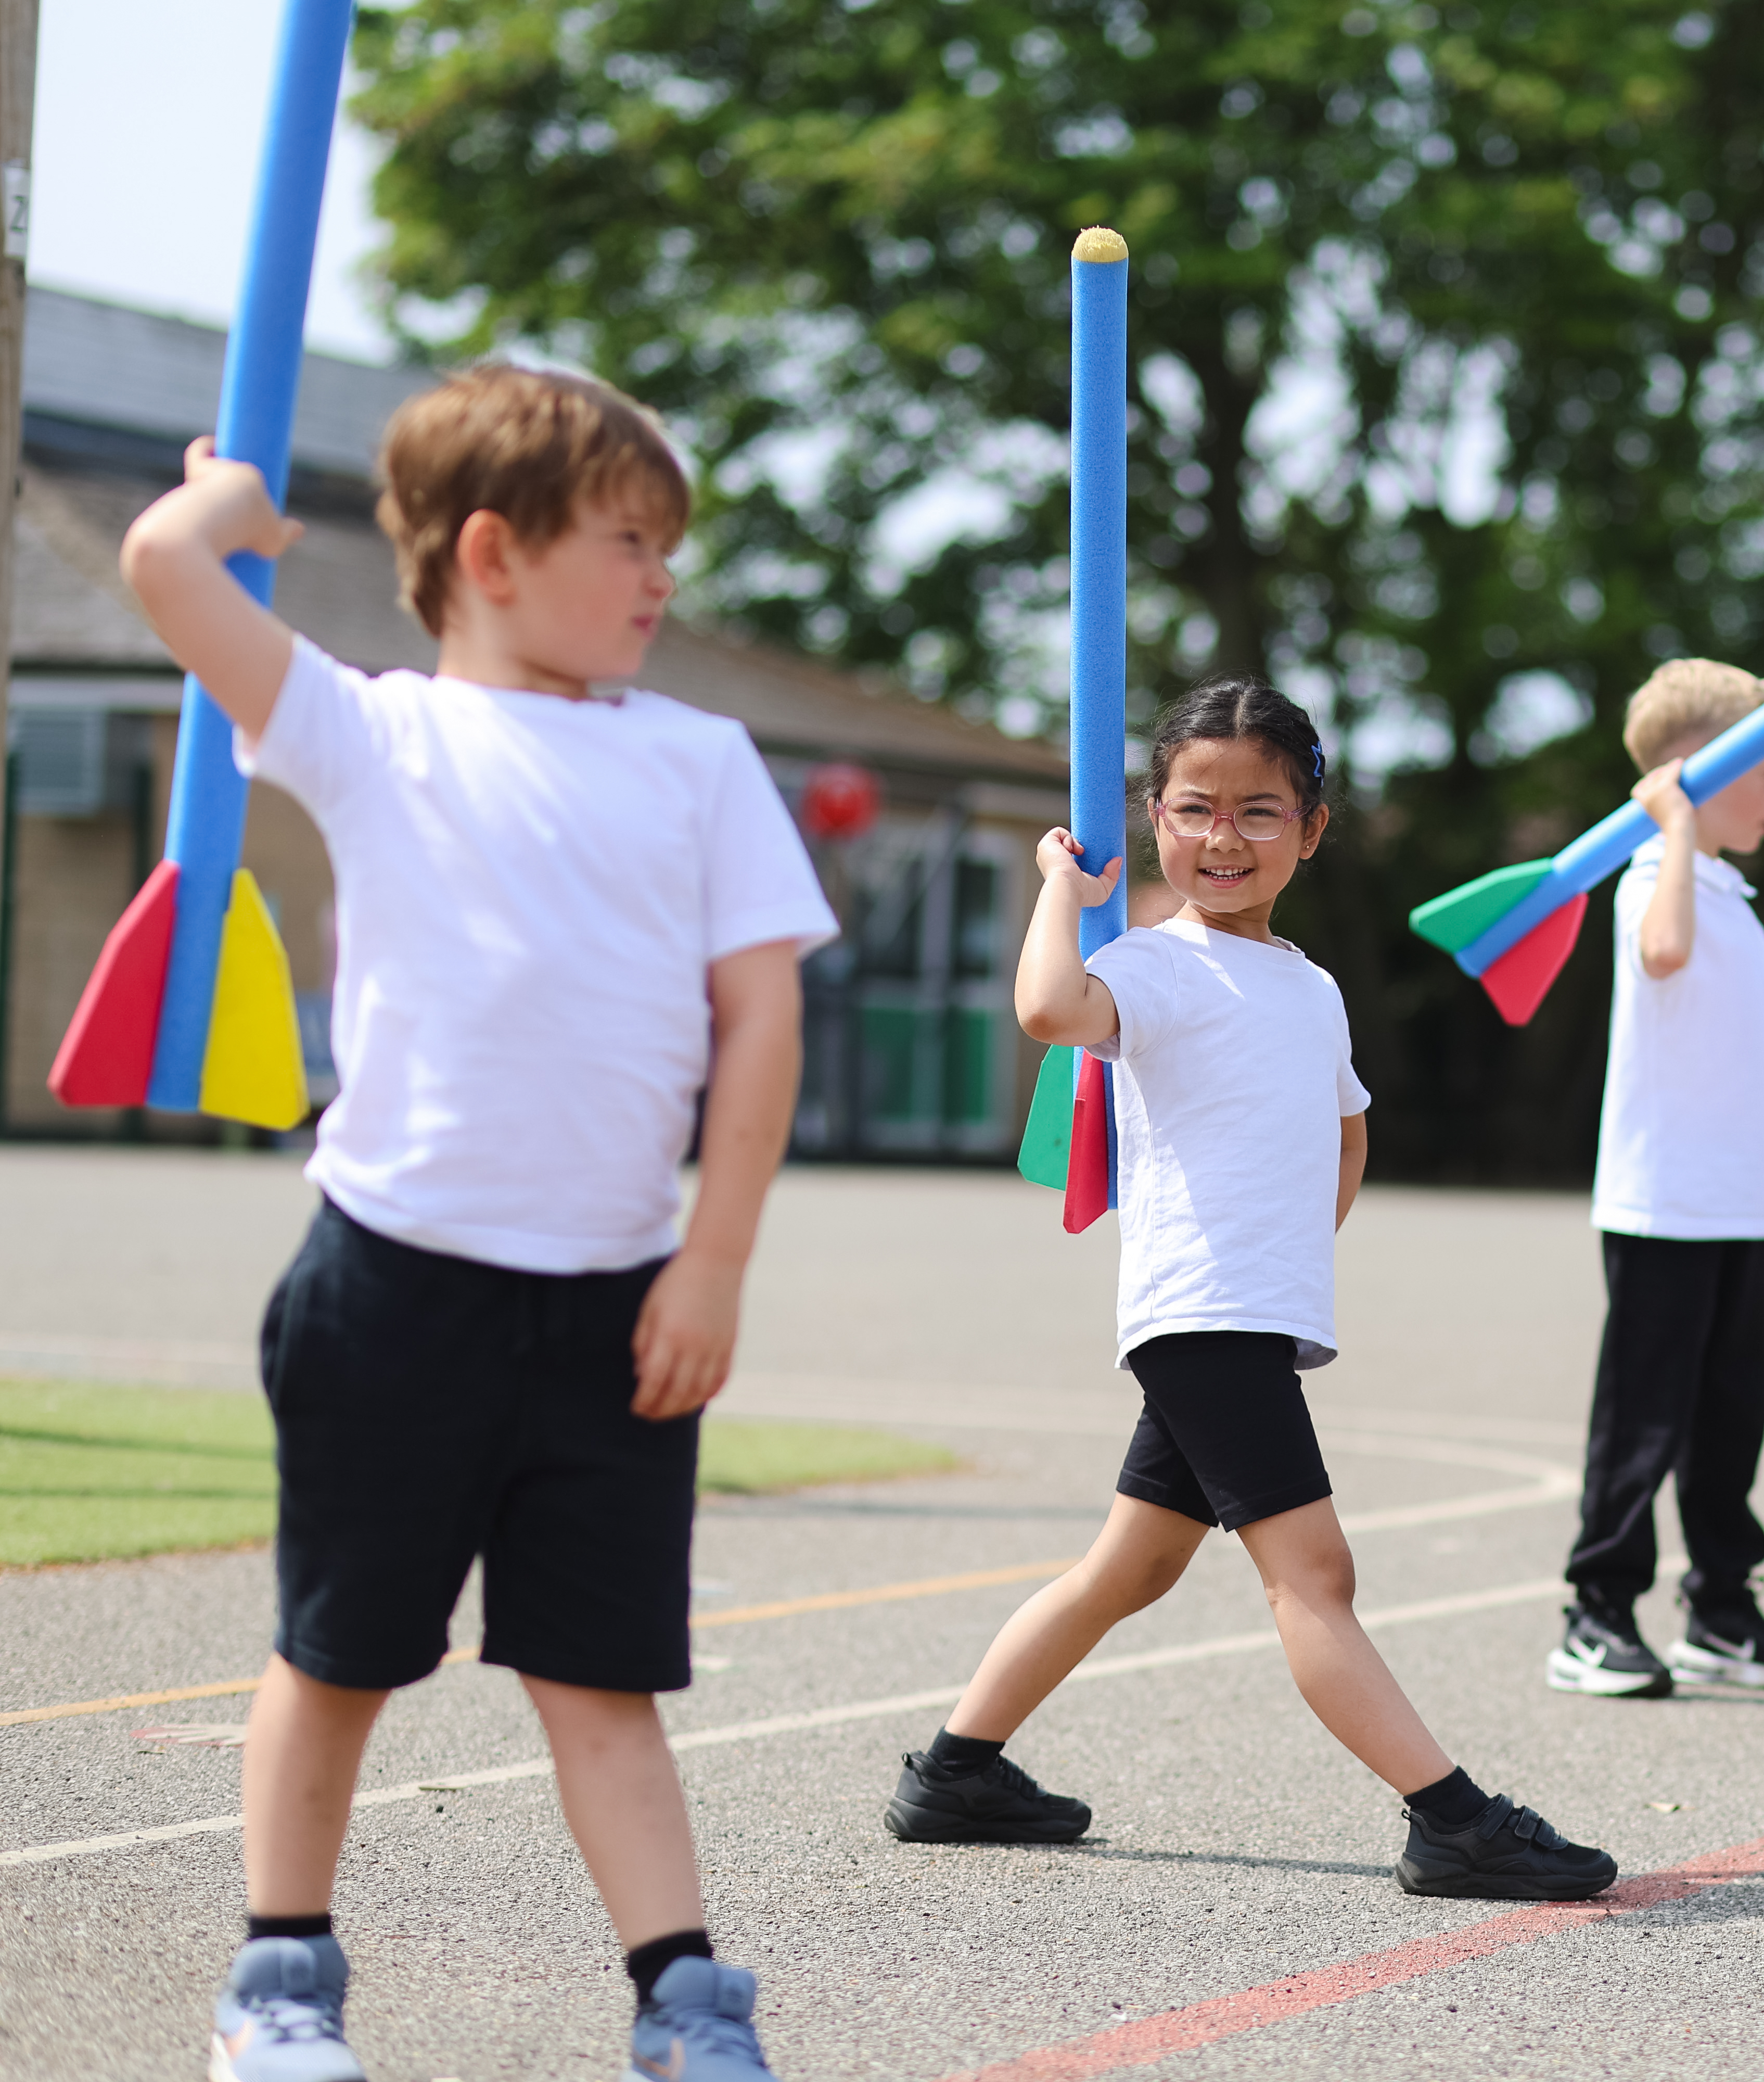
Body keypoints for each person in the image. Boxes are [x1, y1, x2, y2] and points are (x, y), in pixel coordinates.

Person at [124, 369, 838, 2081]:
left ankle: (683, 2001)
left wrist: (715, 1255)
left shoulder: (701, 761)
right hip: (394, 1288)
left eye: (673, 546)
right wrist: (231, 509)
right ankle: (279, 1983)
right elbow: (160, 567)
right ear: (496, 555)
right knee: (345, 1652)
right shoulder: (375, 729)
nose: (665, 578)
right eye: (631, 543)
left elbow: (761, 1020)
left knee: (604, 1680)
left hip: (616, 1307)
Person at [894, 677, 1615, 1902]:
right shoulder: (1151, 967)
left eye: (1259, 811)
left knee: (1132, 1567)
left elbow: (1346, 1132)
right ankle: (1452, 1820)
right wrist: (1063, 895)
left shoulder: (1312, 985)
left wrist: (1287, 1263)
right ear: (1156, 821)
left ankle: (956, 1768)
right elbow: (1046, 1005)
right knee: (1314, 1574)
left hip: (1251, 1313)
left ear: (1313, 828)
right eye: (1194, 808)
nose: (1223, 836)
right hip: (1197, 1312)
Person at [1547, 660, 1764, 1699]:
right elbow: (1664, 953)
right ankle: (1597, 1608)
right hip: (1663, 1202)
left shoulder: (1729, 895)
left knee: (1727, 1415)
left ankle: (1720, 1602)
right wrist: (1669, 824)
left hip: (1738, 1203)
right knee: (1644, 1414)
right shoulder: (1653, 883)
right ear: (1696, 774)